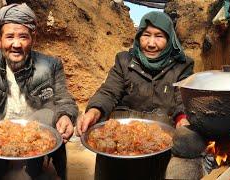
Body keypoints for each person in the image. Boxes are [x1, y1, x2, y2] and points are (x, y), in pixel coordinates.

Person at [0, 3, 78, 180]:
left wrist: (65, 115)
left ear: (33, 38)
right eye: (9, 37)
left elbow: (64, 99)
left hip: (34, 146)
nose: (16, 44)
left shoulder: (51, 65)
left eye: (23, 36)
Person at [77, 11, 194, 180]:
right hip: (115, 149)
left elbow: (182, 98)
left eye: (159, 36)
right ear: (138, 36)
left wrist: (182, 119)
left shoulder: (182, 66)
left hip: (159, 149)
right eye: (146, 35)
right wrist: (94, 111)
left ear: (169, 39)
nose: (151, 43)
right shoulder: (124, 61)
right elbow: (109, 91)